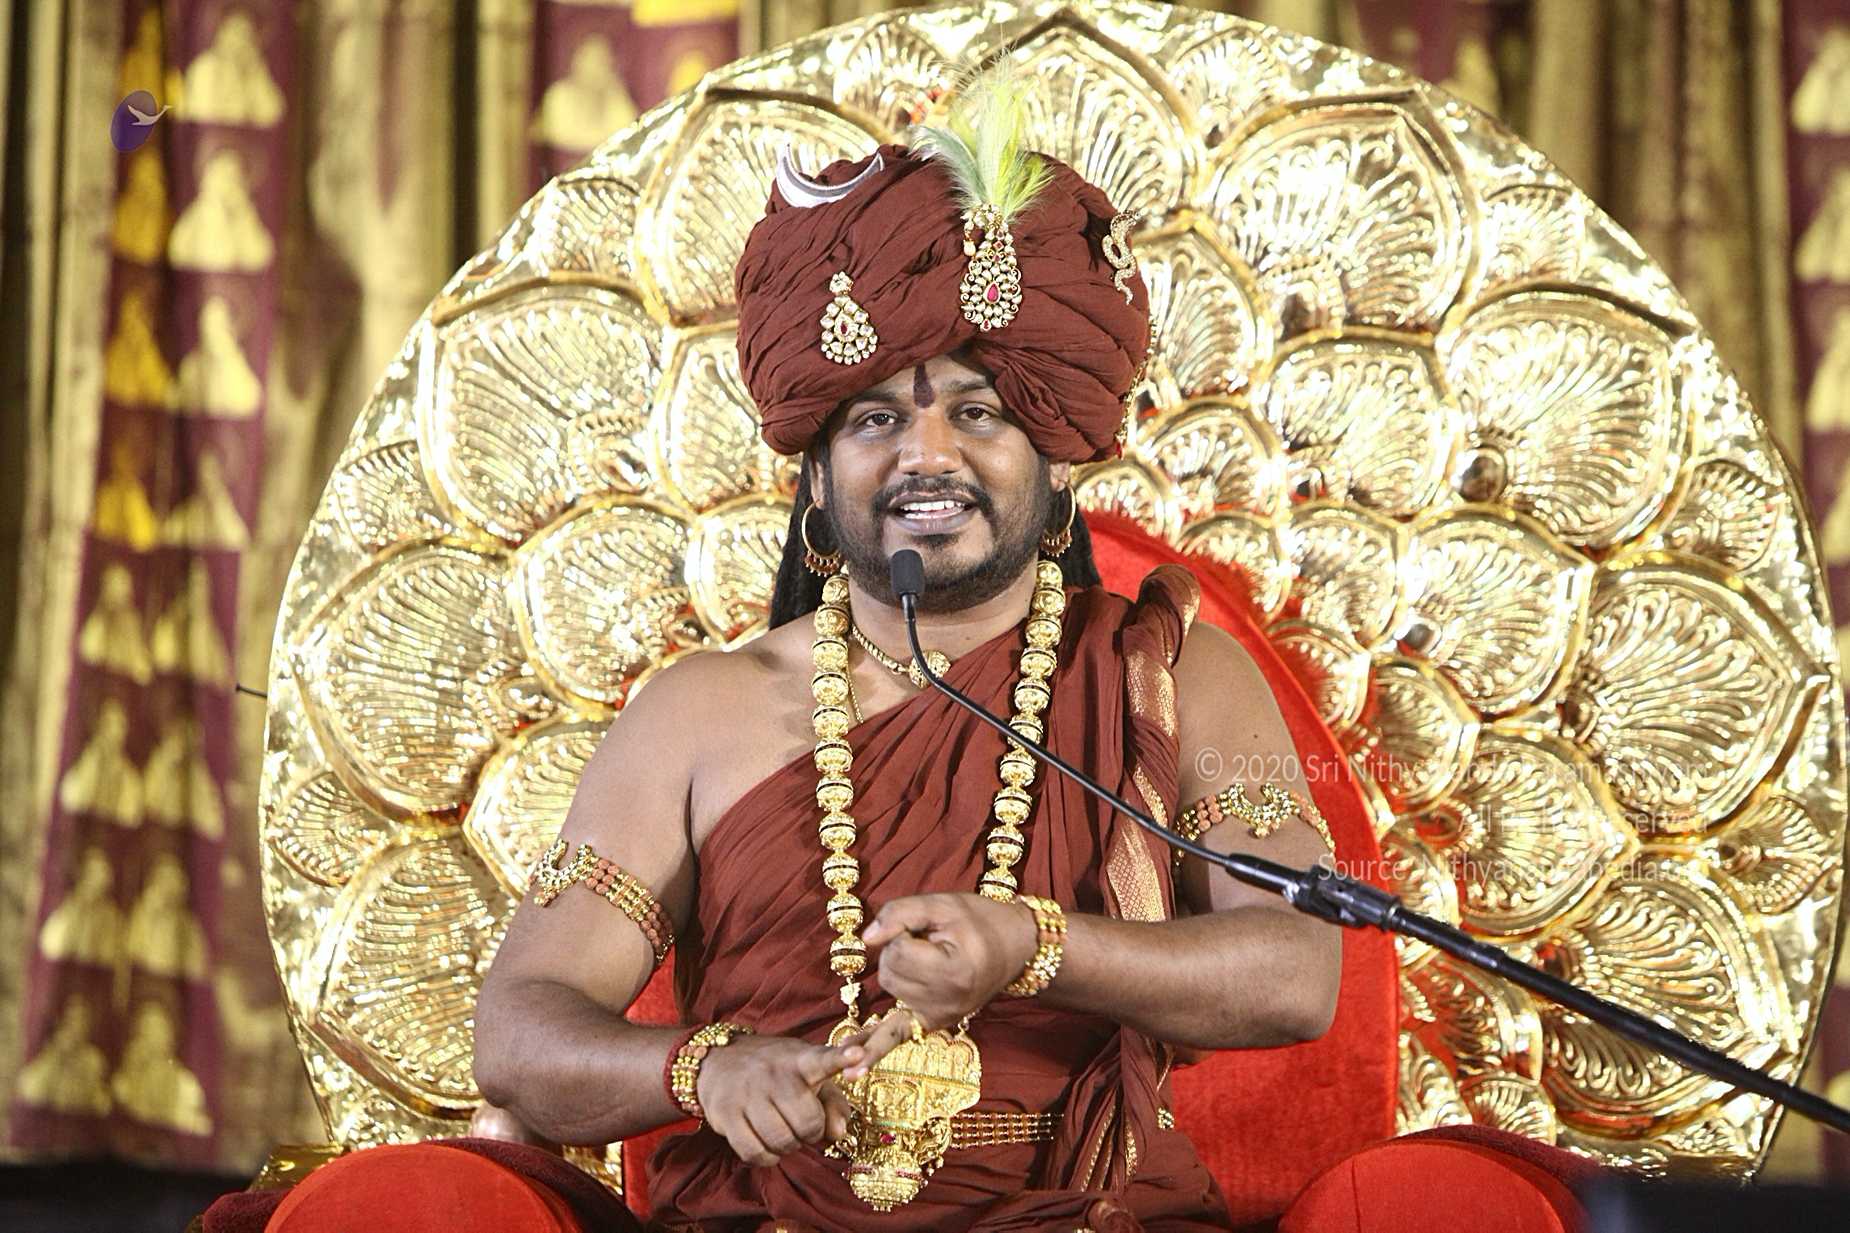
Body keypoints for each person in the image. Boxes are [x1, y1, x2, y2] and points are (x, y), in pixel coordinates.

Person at [473, 69, 1344, 1232]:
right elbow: (517, 1032)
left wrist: (1037, 949)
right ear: (815, 481)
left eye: (976, 412)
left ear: (1057, 461)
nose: (925, 454)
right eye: (875, 418)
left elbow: (1295, 973)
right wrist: (699, 1068)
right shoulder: (699, 713)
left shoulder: (1167, 676)